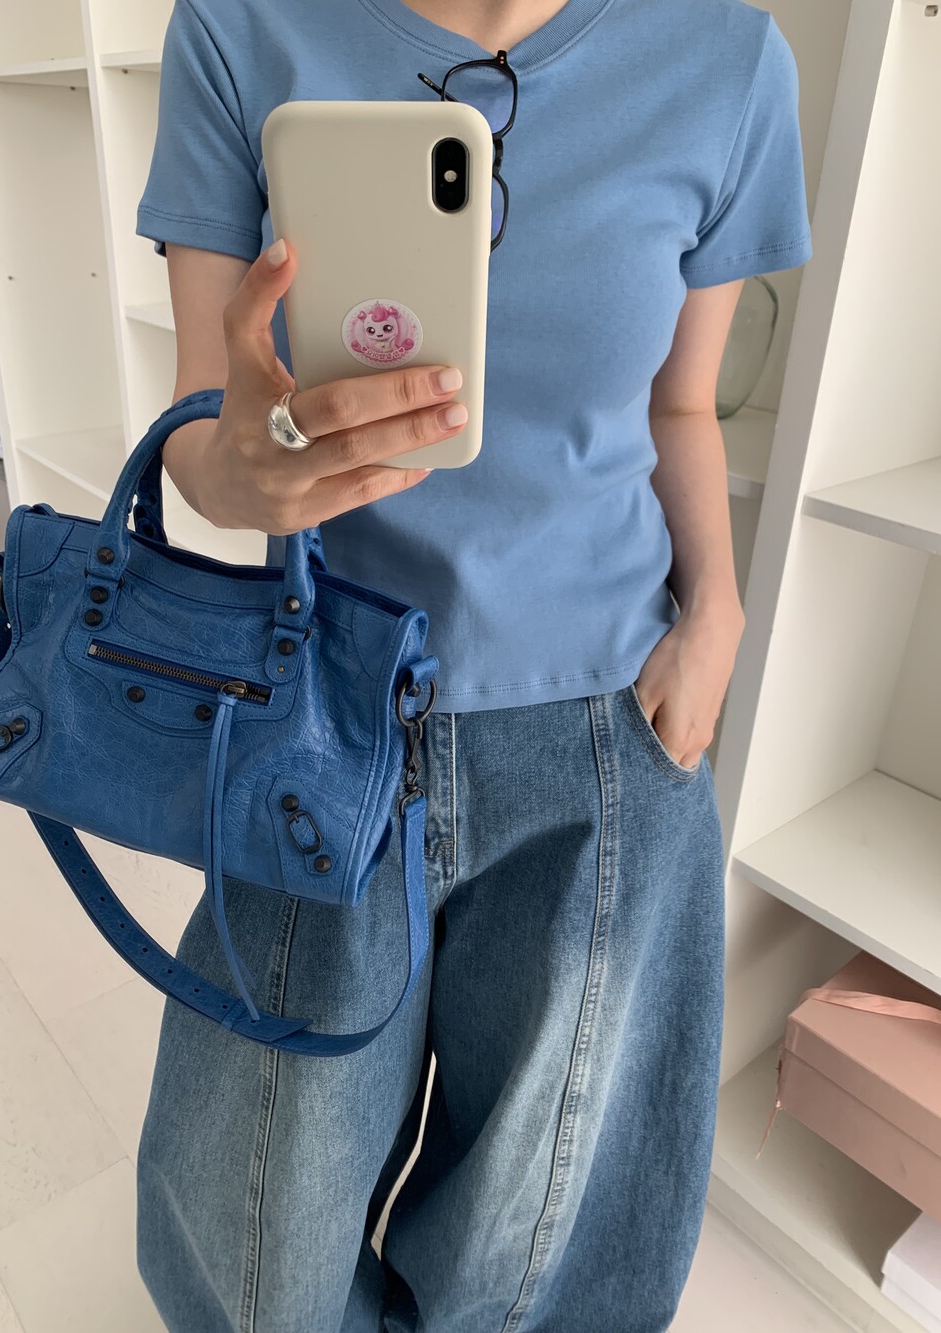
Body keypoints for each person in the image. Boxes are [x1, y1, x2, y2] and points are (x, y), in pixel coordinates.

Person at [132, 0, 812, 1328]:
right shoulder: (239, 26)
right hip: (324, 711)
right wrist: (241, 469)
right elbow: (201, 428)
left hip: (609, 732)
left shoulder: (725, 58)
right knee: (253, 1238)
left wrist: (719, 614)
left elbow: (681, 400)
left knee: (539, 1254)